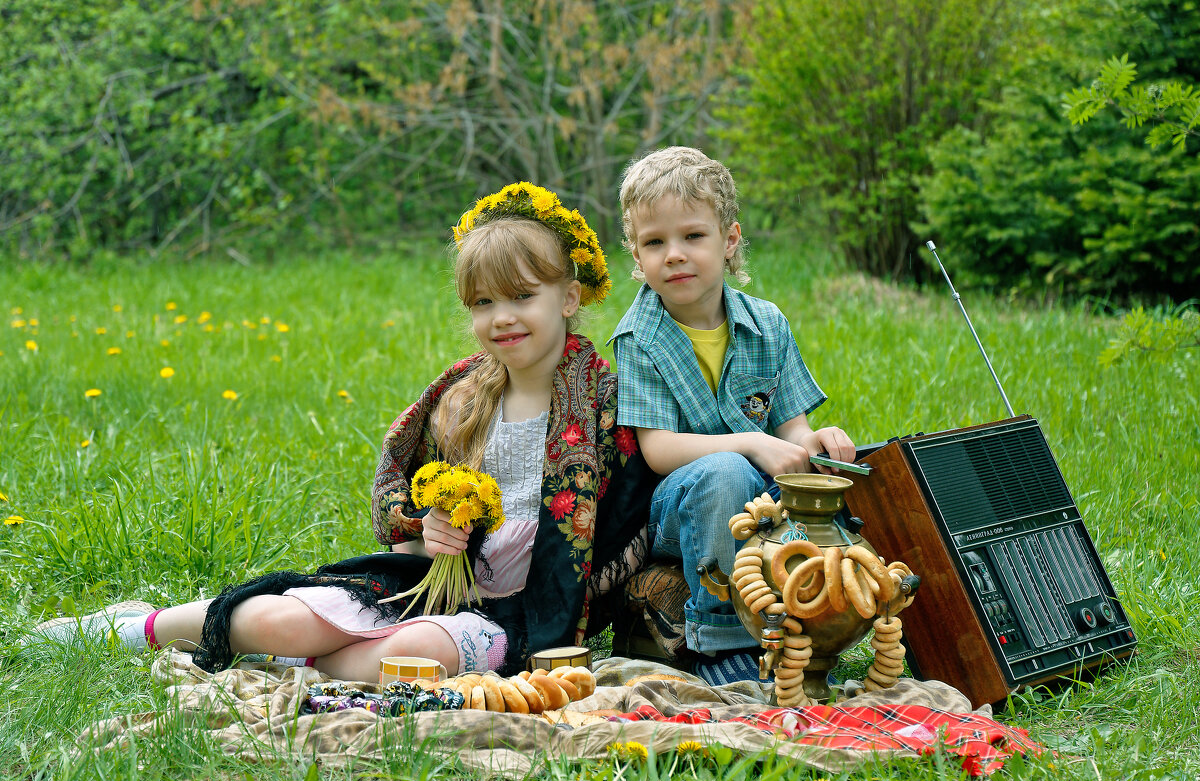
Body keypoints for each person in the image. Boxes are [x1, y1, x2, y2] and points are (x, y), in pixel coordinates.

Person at [30, 182, 656, 681]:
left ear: (569, 297)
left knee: (403, 657)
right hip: (432, 581)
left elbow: (629, 517)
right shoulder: (461, 394)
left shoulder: (601, 398)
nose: (501, 318)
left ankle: (302, 662)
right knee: (284, 620)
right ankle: (134, 626)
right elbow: (401, 487)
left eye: (521, 296)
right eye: (482, 303)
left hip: (521, 613)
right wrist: (424, 526)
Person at [608, 146, 856, 686]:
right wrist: (746, 442)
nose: (674, 255)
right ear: (636, 253)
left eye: (693, 236)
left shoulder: (767, 325)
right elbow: (657, 449)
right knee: (725, 474)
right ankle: (721, 642)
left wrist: (819, 441)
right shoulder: (640, 337)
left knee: (832, 488)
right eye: (654, 243)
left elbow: (792, 431)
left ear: (730, 240)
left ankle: (810, 623)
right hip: (680, 510)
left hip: (762, 502)